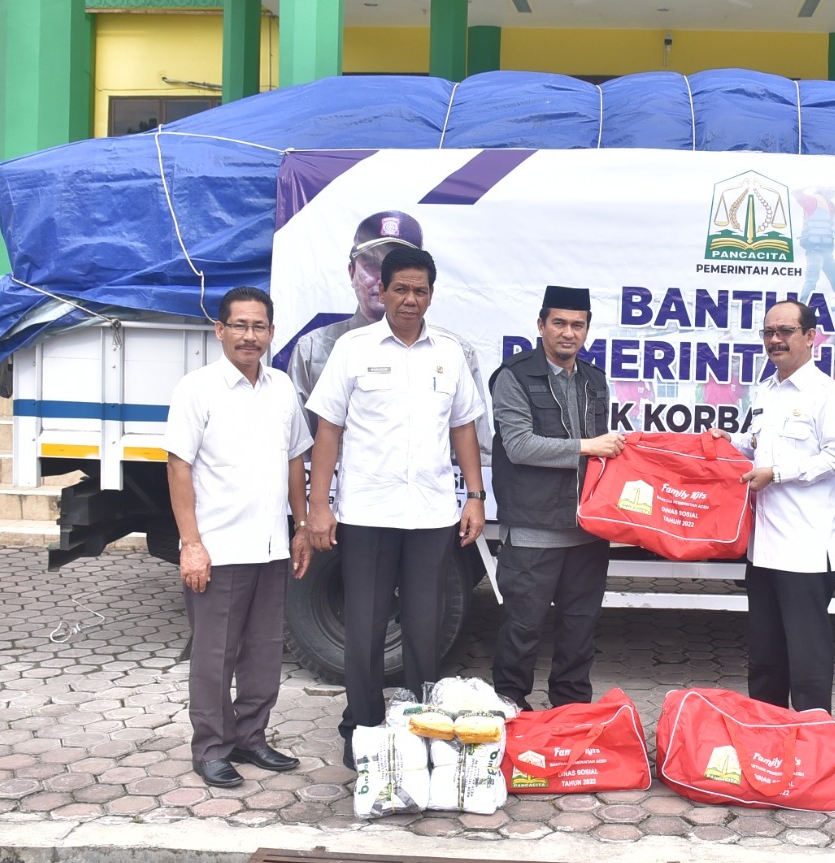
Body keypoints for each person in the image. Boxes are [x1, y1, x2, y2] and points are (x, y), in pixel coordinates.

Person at [303, 246, 487, 767]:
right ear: (380, 292)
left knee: (426, 626)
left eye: (420, 290)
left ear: (432, 294)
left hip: (431, 514)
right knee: (365, 625)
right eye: (401, 289)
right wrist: (320, 505)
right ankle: (361, 726)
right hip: (367, 512)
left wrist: (474, 495)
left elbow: (464, 427)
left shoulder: (448, 353)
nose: (411, 299)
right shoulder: (353, 349)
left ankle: (419, 724)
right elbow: (328, 430)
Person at [162, 286, 315, 788]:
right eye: (240, 326)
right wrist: (191, 544)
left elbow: (296, 459)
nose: (250, 337)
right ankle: (210, 747)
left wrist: (301, 526)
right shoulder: (197, 389)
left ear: (272, 333)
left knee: (264, 651)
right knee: (214, 655)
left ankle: (251, 737)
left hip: (271, 547)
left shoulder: (282, 389)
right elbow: (179, 467)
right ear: (220, 330)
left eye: (259, 327)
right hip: (219, 549)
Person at [713, 299, 835, 713]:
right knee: (766, 658)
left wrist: (776, 473)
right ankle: (768, 738)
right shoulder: (766, 391)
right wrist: (728, 441)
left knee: (807, 662)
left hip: (805, 550)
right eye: (769, 332)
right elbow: (757, 444)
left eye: (786, 331)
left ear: (811, 337)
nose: (775, 340)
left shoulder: (828, 395)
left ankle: (813, 746)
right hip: (764, 548)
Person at [489, 285, 625, 710]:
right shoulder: (512, 376)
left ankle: (570, 715)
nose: (569, 333)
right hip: (531, 532)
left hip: (587, 529)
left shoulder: (594, 380)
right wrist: (588, 447)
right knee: (521, 629)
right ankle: (510, 710)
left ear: (587, 330)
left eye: (578, 325)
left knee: (579, 631)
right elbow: (519, 446)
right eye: (560, 323)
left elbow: (608, 452)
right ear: (541, 324)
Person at [288, 209, 424, 409]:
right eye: (372, 265)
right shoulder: (312, 351)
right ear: (352, 272)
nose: (383, 280)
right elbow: (299, 438)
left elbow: (468, 435)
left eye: (397, 269)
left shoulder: (451, 354)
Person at [796, 186, 835, 300]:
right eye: (828, 189)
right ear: (822, 189)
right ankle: (802, 306)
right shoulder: (813, 201)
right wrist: (806, 185)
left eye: (833, 189)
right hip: (814, 252)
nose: (832, 191)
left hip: (828, 255)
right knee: (811, 281)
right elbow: (796, 193)